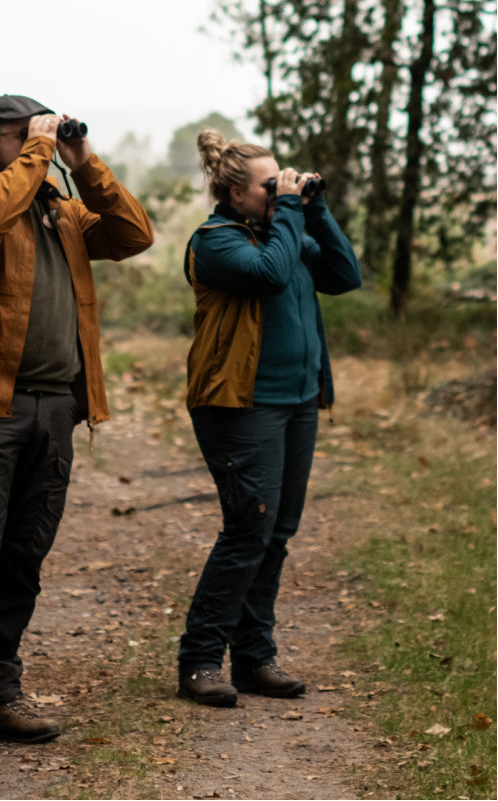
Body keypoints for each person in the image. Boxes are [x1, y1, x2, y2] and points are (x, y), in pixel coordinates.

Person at [0, 94, 154, 759]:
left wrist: (83, 160)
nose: (39, 145)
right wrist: (42, 152)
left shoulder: (57, 209)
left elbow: (133, 233)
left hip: (54, 408)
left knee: (22, 556)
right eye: (24, 137)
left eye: (43, 135)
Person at [176, 131, 360, 707]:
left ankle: (255, 659)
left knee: (276, 533)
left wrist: (316, 207)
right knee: (247, 530)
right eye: (268, 183)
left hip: (298, 402)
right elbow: (270, 274)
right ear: (234, 192)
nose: (280, 188)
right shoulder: (216, 242)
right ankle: (200, 663)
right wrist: (289, 213)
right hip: (241, 406)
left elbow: (345, 275)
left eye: (282, 179)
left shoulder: (283, 230)